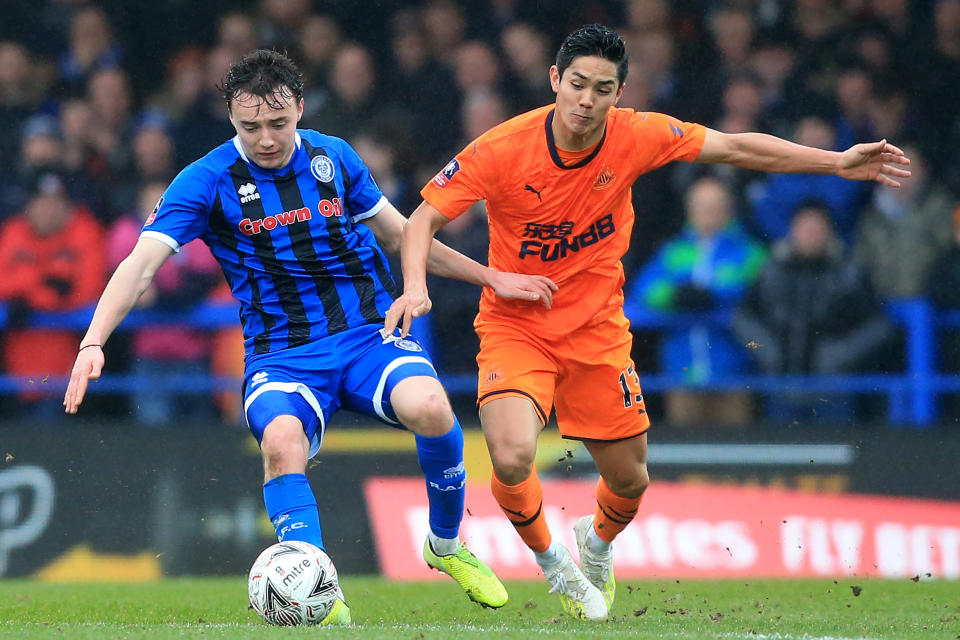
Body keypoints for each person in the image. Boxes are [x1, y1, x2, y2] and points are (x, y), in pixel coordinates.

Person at [384, 24, 910, 622]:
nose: (586, 100)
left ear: (619, 93)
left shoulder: (639, 134)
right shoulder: (503, 147)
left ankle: (596, 545)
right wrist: (422, 287)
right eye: (577, 84)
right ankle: (558, 567)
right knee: (509, 457)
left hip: (598, 331)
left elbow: (737, 147)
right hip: (517, 325)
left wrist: (837, 162)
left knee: (630, 482)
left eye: (602, 89)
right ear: (555, 80)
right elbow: (421, 220)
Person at [63, 50, 553, 623]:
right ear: (231, 119)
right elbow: (141, 263)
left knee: (432, 407)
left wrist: (490, 275)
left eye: (277, 124)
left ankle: (444, 544)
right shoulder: (206, 180)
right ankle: (320, 591)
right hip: (282, 355)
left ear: (299, 108)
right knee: (280, 443)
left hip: (367, 335)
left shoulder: (334, 158)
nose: (266, 139)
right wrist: (93, 341)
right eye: (250, 128)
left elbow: (401, 237)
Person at [733, 201, 894, 422]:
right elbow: (744, 319)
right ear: (792, 231)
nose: (811, 235)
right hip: (780, 385)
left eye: (817, 229)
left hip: (833, 389)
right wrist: (767, 351)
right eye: (805, 228)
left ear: (829, 232)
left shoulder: (850, 274)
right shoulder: (771, 272)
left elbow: (877, 325)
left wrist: (840, 354)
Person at [627, 176, 766, 426]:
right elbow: (645, 290)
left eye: (715, 205)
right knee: (689, 455)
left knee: (734, 455)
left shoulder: (748, 250)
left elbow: (749, 287)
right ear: (690, 209)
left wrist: (712, 295)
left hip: (733, 372)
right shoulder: (673, 250)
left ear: (729, 208)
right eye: (701, 205)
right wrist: (676, 296)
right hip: (681, 371)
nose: (708, 212)